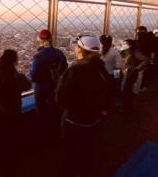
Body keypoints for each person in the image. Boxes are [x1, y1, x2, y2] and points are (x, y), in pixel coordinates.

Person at [56, 35, 110, 177]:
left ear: (80, 49)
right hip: (93, 120)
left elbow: (60, 98)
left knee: (70, 151)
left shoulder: (75, 70)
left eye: (76, 46)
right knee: (88, 148)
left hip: (74, 120)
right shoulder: (101, 69)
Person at [0, 49, 31, 175]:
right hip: (13, 113)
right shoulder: (18, 77)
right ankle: (10, 167)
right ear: (15, 61)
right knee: (11, 140)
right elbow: (28, 86)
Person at [30, 29, 67, 136]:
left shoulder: (38, 56)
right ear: (51, 39)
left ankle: (44, 135)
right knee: (55, 110)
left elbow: (34, 76)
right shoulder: (59, 53)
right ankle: (55, 132)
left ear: (40, 39)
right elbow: (64, 69)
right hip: (56, 87)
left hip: (41, 89)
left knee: (42, 112)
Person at [119, 39, 150, 111]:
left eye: (125, 43)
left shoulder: (135, 51)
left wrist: (137, 69)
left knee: (126, 89)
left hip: (131, 72)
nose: (123, 44)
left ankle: (127, 107)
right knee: (125, 89)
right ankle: (126, 105)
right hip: (126, 72)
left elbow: (146, 60)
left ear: (130, 44)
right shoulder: (127, 51)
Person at [99, 35, 123, 108]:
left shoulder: (97, 51)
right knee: (110, 91)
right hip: (110, 75)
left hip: (99, 75)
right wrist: (117, 77)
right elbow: (118, 66)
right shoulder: (115, 52)